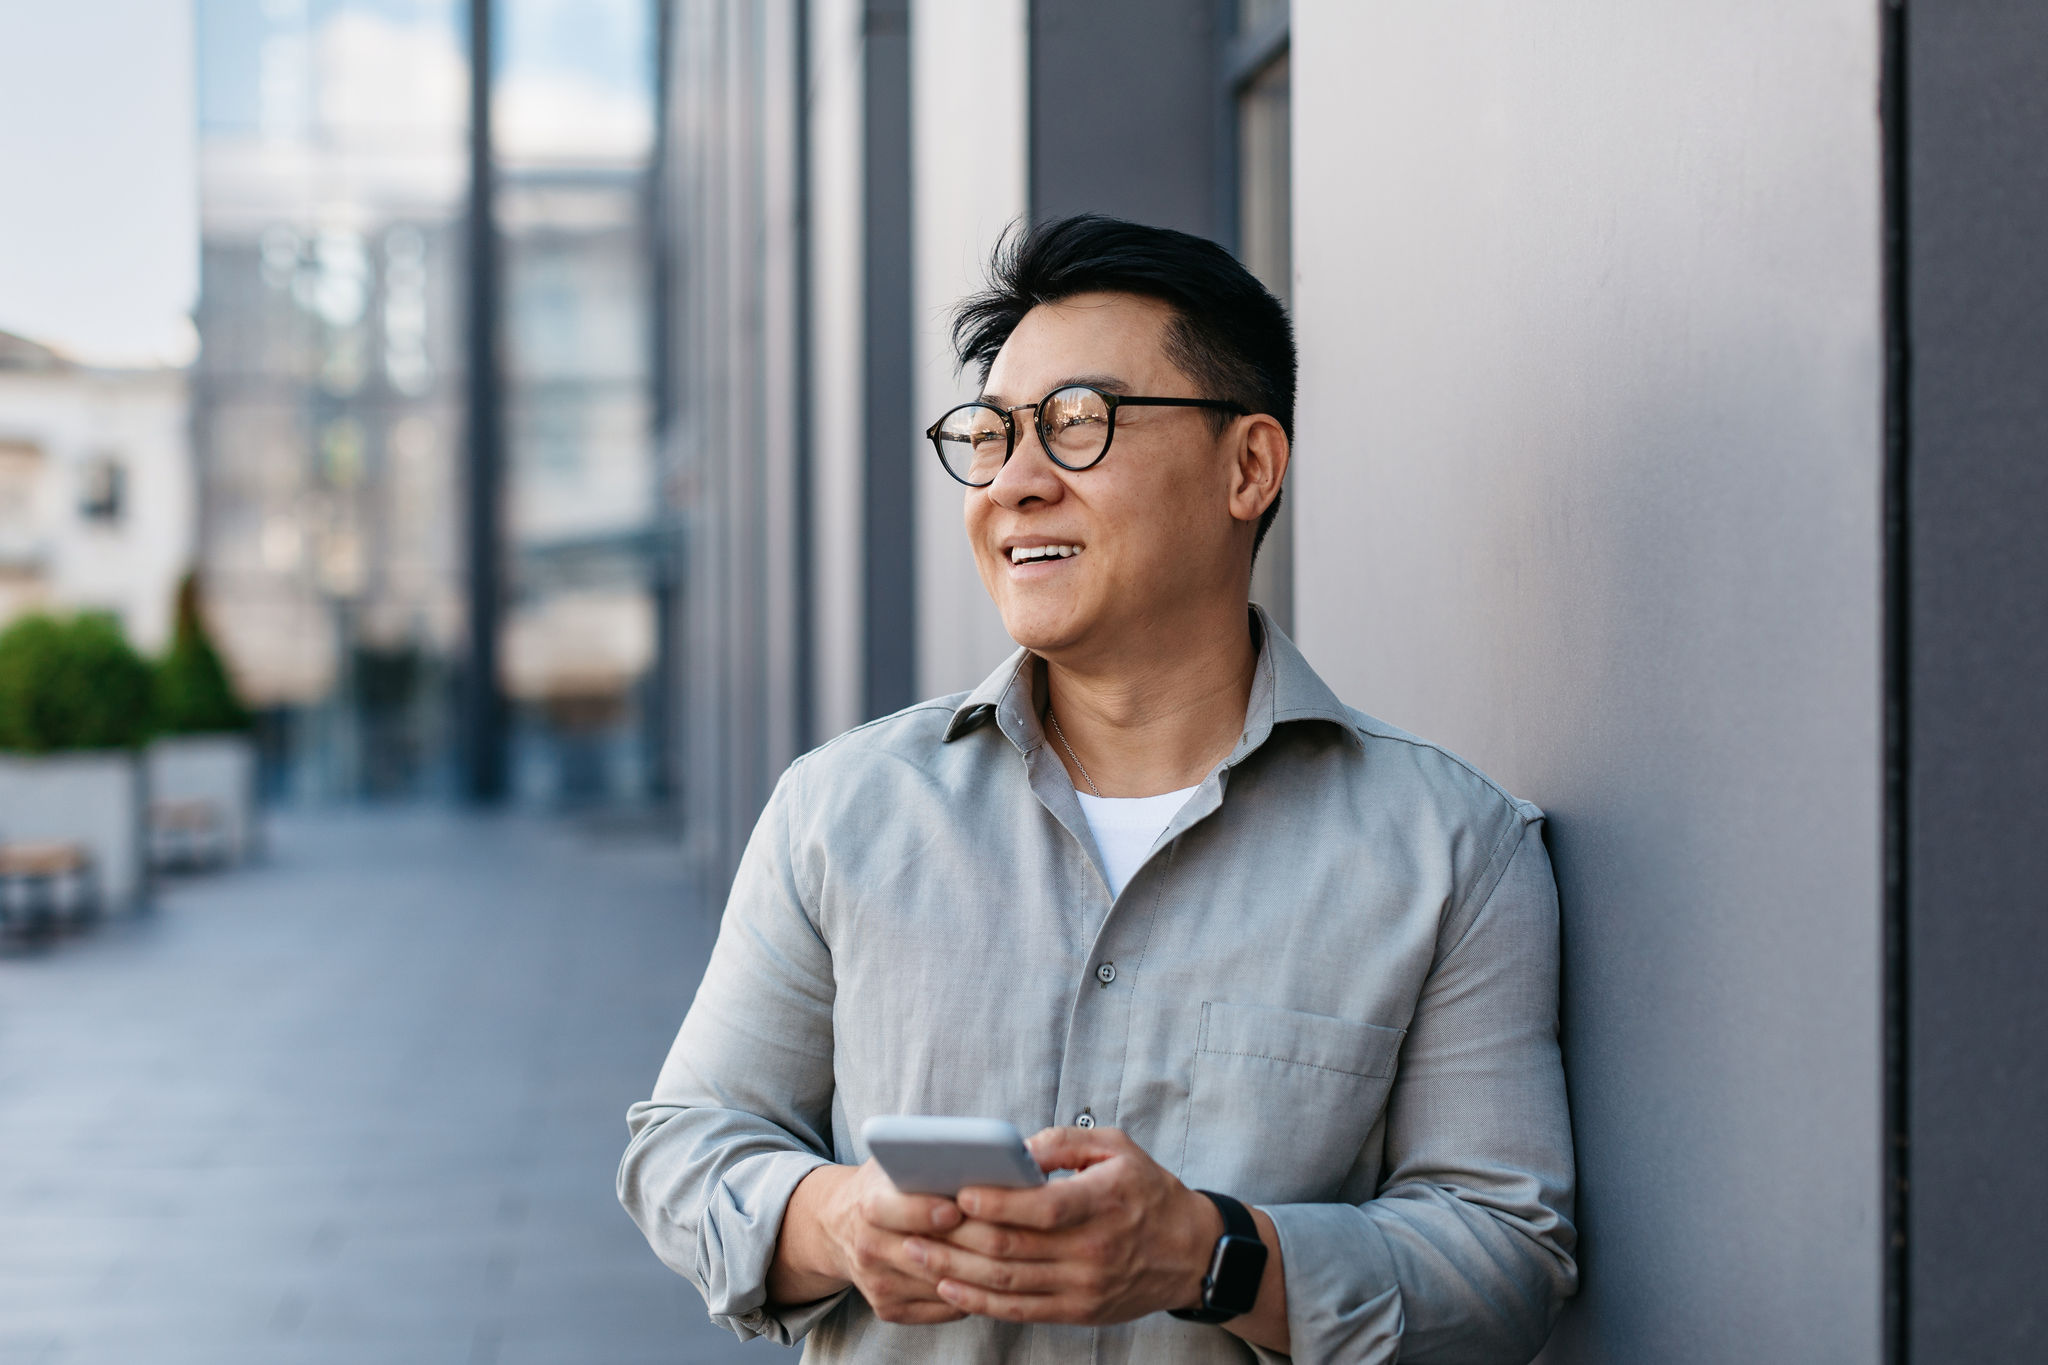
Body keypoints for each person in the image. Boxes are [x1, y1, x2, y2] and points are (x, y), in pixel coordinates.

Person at [619, 215, 1577, 1362]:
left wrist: (1207, 1255)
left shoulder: (1454, 851)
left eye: (1079, 424)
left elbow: (1505, 1259)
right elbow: (685, 1147)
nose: (1013, 485)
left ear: (1248, 467)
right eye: (990, 434)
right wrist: (837, 1221)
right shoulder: (842, 811)